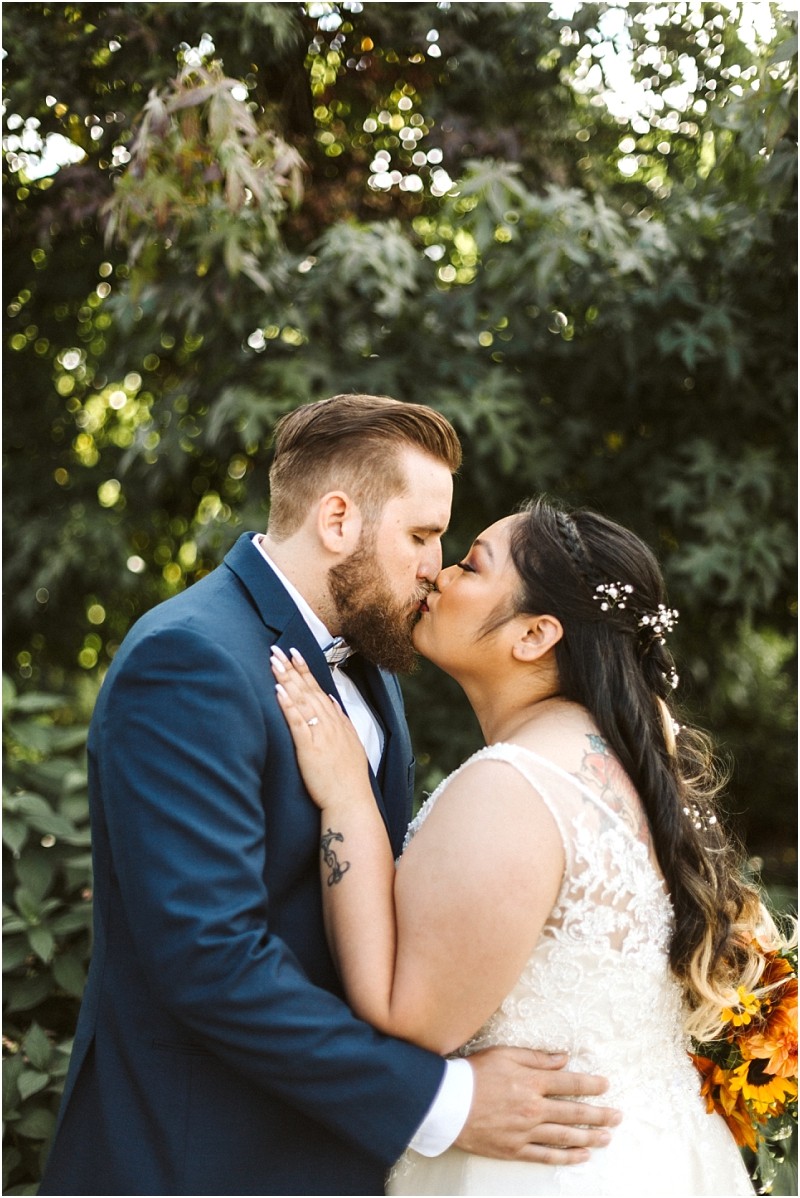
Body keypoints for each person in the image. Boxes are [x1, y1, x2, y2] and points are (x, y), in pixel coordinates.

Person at [39, 397, 620, 1197]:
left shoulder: (374, 666)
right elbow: (211, 961)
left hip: (332, 1159)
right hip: (198, 1158)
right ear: (338, 520)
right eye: (421, 535)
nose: (435, 566)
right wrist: (445, 1102)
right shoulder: (189, 660)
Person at [270, 495, 784, 1196]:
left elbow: (404, 1015)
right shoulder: (626, 768)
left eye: (472, 567)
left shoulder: (517, 785)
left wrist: (348, 798)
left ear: (534, 635)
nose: (441, 574)